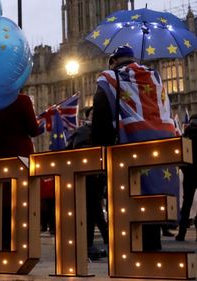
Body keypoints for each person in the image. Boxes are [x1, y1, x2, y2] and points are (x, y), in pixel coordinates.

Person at [92, 45, 177, 251]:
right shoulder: (155, 77)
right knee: (152, 198)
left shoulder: (109, 79)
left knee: (131, 202)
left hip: (129, 145)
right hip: (161, 145)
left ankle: (135, 256)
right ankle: (153, 251)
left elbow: (100, 119)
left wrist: (99, 152)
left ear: (113, 62)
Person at [0, 93, 40, 250]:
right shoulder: (22, 100)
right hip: (21, 152)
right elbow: (33, 129)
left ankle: (3, 242)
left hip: (2, 152)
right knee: (22, 197)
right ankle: (20, 242)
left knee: (5, 199)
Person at [67, 107, 108, 259]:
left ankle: (89, 246)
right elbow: (79, 149)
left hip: (97, 176)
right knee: (92, 212)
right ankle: (89, 246)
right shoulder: (84, 130)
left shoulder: (100, 130)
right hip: (88, 176)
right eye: (93, 113)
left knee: (93, 212)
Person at [176, 113, 197, 241]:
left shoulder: (185, 137)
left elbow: (180, 156)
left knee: (186, 203)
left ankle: (181, 233)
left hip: (189, 174)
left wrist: (185, 170)